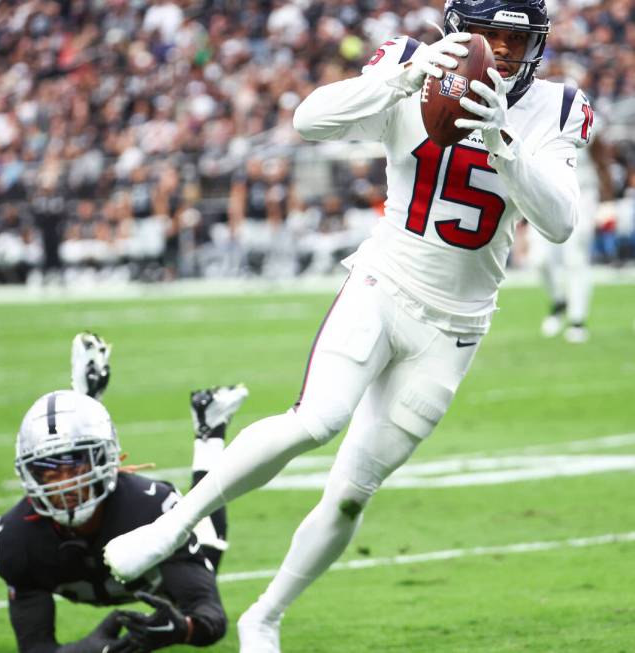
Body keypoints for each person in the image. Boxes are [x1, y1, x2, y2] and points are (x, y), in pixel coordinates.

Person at [103, 1, 592, 650]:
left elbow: (559, 222)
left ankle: (265, 614)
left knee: (349, 496)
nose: (501, 52)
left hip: (454, 328)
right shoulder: (410, 64)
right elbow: (308, 120)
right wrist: (405, 76)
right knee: (317, 417)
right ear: (456, 35)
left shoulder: (556, 108)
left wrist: (505, 142)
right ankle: (174, 526)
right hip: (382, 282)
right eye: (487, 37)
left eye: (515, 39)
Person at [0, 332, 249, 653]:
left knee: (207, 551)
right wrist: (84, 651)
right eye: (49, 473)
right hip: (99, 561)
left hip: (143, 554)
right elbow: (35, 648)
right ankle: (85, 404)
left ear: (109, 462)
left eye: (75, 469)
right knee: (80, 444)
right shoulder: (14, 539)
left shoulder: (148, 506)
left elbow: (208, 613)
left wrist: (183, 629)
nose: (64, 485)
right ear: (29, 475)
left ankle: (209, 431)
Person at [535, 131, 612, 343]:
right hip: (546, 192)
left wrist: (607, 202)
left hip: (582, 195)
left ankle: (577, 320)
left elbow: (602, 162)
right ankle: (559, 301)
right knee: (539, 259)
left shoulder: (590, 118)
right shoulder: (539, 107)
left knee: (575, 258)